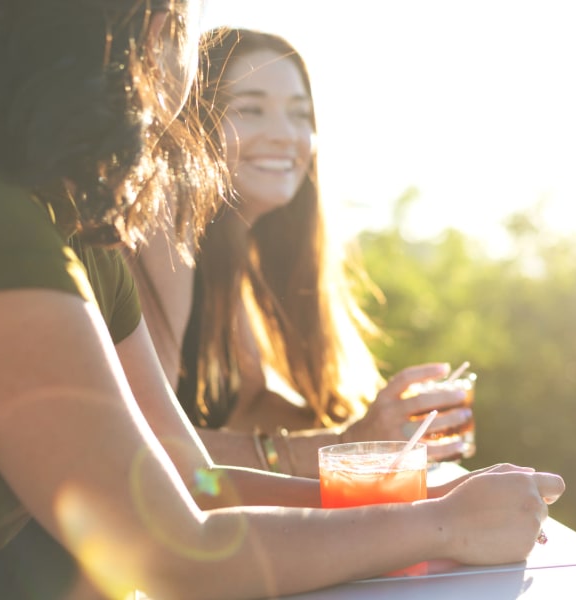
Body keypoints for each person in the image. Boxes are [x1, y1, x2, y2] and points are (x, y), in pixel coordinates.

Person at [0, 2, 565, 599]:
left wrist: (417, 500)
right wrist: (443, 525)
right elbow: (169, 549)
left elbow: (198, 482)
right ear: (142, 35)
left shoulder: (80, 237)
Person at [131, 28, 474, 478]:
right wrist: (343, 447)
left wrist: (377, 429)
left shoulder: (230, 243)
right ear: (192, 120)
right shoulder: (163, 219)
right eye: (250, 110)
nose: (285, 136)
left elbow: (247, 406)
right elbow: (146, 441)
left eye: (300, 115)